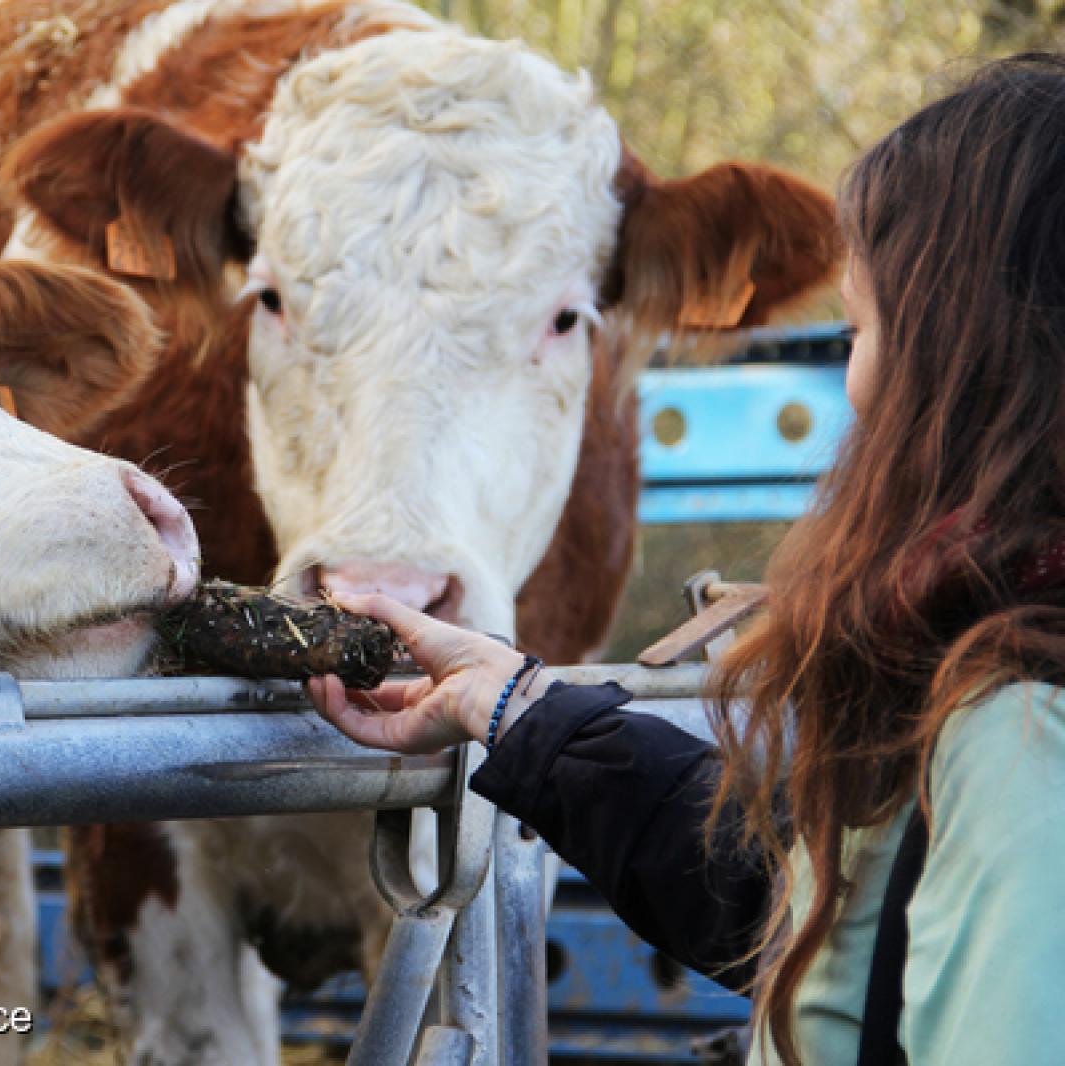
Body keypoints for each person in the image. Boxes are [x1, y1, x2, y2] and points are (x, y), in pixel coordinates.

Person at [307, 53, 1065, 1066]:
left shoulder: (1021, 739)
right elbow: (815, 915)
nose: (854, 385)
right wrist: (511, 706)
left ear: (955, 366)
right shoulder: (987, 667)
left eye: (862, 326)